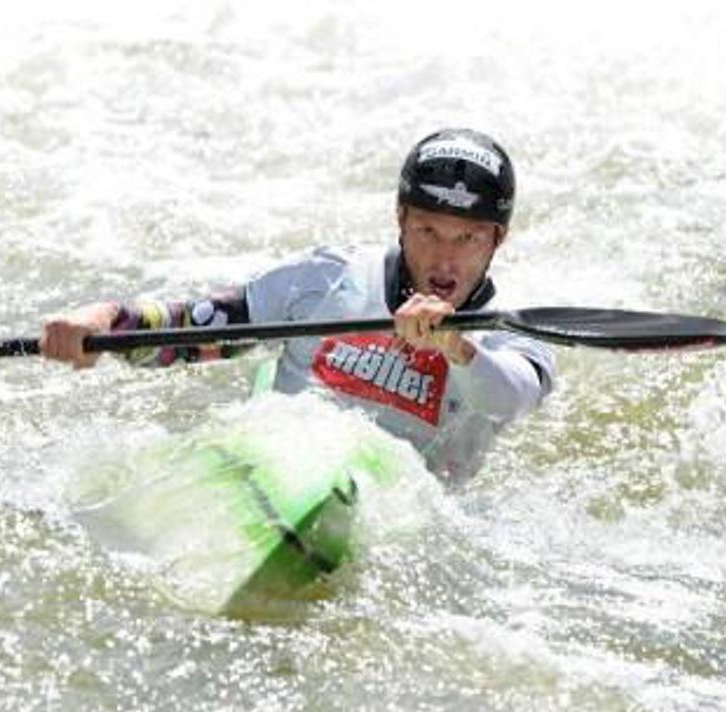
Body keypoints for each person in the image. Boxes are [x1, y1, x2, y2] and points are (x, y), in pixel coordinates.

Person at [41, 128, 556, 481]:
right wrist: (108, 322)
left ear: (498, 240)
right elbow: (200, 328)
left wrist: (456, 347)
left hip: (405, 514)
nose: (445, 259)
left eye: (467, 238)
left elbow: (511, 398)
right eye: (427, 230)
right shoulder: (325, 280)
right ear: (400, 219)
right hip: (278, 473)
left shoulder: (512, 328)